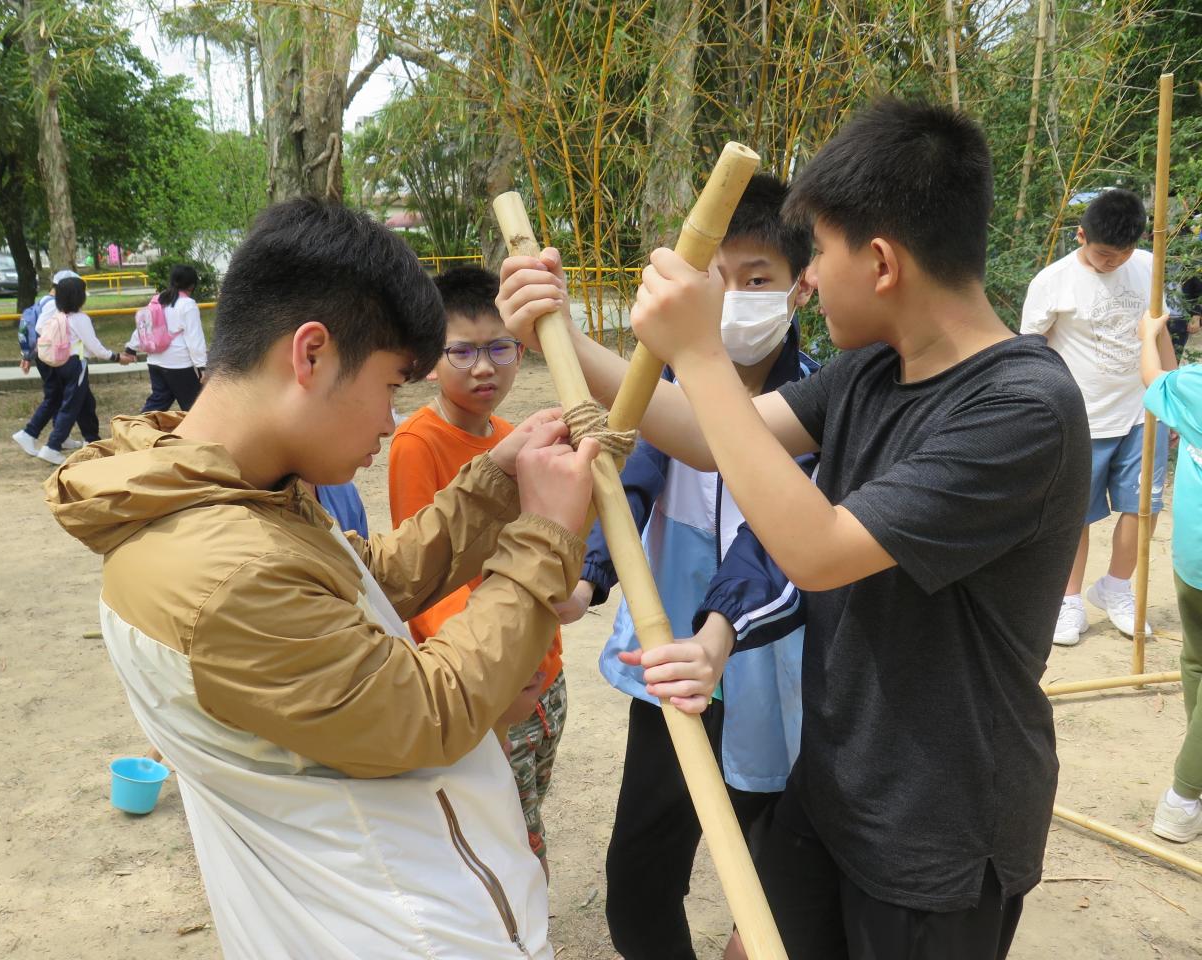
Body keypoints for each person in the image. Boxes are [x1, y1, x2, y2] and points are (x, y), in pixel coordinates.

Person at [499, 99, 1090, 960]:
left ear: (881, 262)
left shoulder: (1021, 410)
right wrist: (560, 333)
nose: (807, 278)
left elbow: (815, 552)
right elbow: (707, 435)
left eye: (816, 253)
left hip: (937, 824)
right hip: (837, 781)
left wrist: (698, 351)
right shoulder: (871, 371)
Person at [45, 198, 597, 959]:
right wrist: (544, 537)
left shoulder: (227, 498)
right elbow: (427, 712)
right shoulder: (225, 572)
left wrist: (496, 481)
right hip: (396, 930)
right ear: (311, 355)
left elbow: (364, 582)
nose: (390, 421)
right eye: (391, 385)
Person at [559, 174, 815, 960]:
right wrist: (586, 579)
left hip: (775, 678)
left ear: (803, 287)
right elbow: (629, 481)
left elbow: (774, 543)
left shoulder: (819, 400)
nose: (732, 299)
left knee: (772, 894)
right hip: (671, 670)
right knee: (637, 882)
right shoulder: (662, 389)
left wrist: (719, 632)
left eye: (758, 280)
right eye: (717, 278)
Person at [387, 265, 566, 878]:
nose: (484, 368)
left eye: (499, 348)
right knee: (504, 834)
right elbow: (423, 579)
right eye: (462, 352)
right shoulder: (418, 442)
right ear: (429, 361)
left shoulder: (515, 438)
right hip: (488, 677)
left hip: (542, 672)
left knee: (528, 803)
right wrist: (494, 673)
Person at [1021, 189, 1177, 645]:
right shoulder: (1053, 282)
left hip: (1141, 411)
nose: (1114, 262)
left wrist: (1169, 396)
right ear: (1080, 235)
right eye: (1104, 254)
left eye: (1122, 254)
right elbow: (1030, 353)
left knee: (1143, 507)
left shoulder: (1148, 265)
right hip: (1079, 418)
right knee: (1075, 515)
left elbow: (1160, 333)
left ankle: (1117, 589)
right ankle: (1068, 600)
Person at [1139, 309, 1202, 844]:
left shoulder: (1195, 386)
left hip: (1192, 558)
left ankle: (1192, 779)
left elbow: (1157, 380)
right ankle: (1184, 795)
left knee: (1196, 659)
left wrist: (1149, 335)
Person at [19, 276, 130, 466]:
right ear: (79, 297)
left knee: (86, 402)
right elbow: (95, 347)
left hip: (59, 364)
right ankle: (52, 447)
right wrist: (117, 357)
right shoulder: (80, 319)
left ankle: (92, 440)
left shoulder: (58, 316)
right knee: (70, 406)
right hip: (75, 365)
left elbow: (39, 329)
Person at [12, 269, 86, 457]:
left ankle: (61, 436)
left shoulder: (44, 301)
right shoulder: (54, 305)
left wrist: (28, 355)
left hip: (45, 354)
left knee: (58, 396)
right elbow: (40, 329)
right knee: (54, 397)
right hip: (51, 356)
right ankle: (29, 433)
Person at [123, 264, 208, 411]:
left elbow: (144, 327)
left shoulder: (158, 299)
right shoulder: (188, 304)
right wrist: (202, 367)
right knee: (196, 408)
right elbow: (195, 339)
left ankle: (139, 425)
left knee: (157, 404)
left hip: (155, 362)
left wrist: (131, 348)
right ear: (192, 285)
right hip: (178, 364)